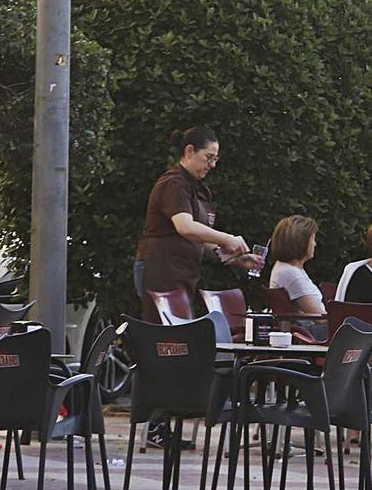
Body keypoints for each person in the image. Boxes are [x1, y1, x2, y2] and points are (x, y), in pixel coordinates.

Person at [134, 126, 257, 324]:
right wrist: (227, 238)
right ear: (189, 151)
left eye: (215, 159)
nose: (212, 164)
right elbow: (185, 227)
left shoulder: (198, 189)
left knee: (179, 335)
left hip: (180, 271)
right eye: (209, 157)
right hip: (160, 267)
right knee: (166, 337)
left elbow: (198, 238)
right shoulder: (173, 183)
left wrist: (232, 257)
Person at [268, 215, 328, 341]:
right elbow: (320, 318)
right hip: (308, 334)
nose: (315, 244)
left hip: (305, 330)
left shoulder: (287, 268)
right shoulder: (291, 275)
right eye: (312, 239)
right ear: (301, 241)